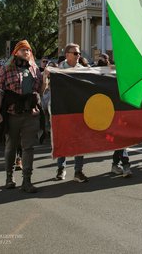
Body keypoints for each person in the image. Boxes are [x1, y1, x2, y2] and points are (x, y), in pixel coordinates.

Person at [0, 40, 44, 192]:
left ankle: (27, 181)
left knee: (28, 148)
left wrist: (46, 77)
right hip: (12, 114)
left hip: (30, 114)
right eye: (23, 50)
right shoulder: (6, 69)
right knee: (11, 147)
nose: (27, 52)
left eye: (28, 50)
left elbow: (40, 91)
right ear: (16, 52)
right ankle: (9, 177)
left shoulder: (35, 69)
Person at [53, 43, 89, 183]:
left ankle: (78, 171)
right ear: (67, 54)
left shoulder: (83, 70)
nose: (78, 55)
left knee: (79, 141)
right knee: (63, 139)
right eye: (75, 53)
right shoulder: (58, 70)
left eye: (79, 53)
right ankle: (61, 168)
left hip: (79, 111)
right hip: (63, 111)